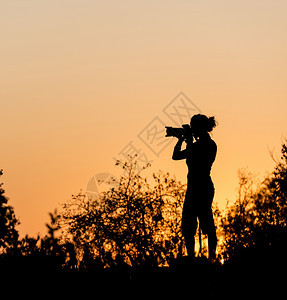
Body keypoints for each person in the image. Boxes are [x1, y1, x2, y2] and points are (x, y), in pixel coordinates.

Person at [172, 114, 217, 260]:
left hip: (203, 187)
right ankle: (191, 256)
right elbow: (176, 156)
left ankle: (212, 256)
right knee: (188, 225)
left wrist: (189, 142)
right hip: (192, 188)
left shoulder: (209, 145)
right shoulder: (195, 145)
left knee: (207, 223)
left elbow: (194, 161)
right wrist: (181, 140)